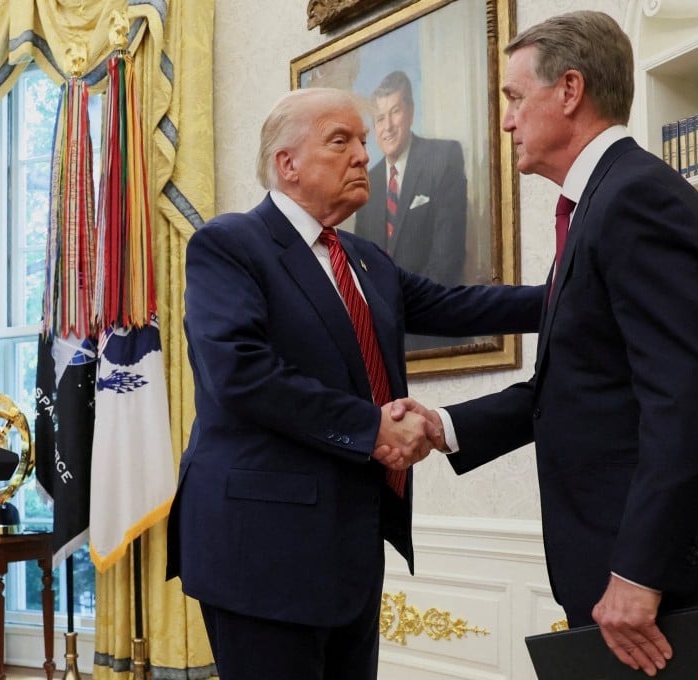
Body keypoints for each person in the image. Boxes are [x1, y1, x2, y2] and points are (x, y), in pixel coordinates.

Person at [387, 11, 698, 677]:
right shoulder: (599, 202)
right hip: (622, 558)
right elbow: (572, 386)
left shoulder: (637, 199)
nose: (506, 121)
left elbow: (689, 398)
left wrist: (639, 572)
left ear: (569, 91)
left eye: (513, 98)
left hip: (662, 573)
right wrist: (446, 425)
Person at [165, 88, 543, 679]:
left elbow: (461, 306)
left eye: (363, 141)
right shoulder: (230, 244)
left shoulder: (367, 259)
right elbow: (240, 372)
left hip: (351, 547)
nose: (363, 155)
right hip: (261, 552)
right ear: (286, 164)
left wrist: (574, 295)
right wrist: (372, 428)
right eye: (340, 140)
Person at [354, 70, 469, 351]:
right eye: (380, 118)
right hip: (384, 341)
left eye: (395, 112)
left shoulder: (443, 158)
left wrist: (399, 312)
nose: (388, 126)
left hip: (435, 331)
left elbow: (447, 258)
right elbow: (362, 269)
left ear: (411, 112)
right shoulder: (367, 183)